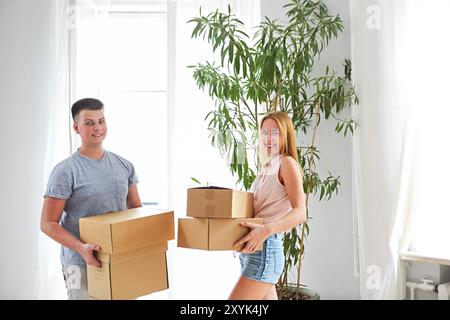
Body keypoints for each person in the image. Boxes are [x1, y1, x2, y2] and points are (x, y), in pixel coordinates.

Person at [40, 98, 142, 300]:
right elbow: (48, 223)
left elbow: (135, 209)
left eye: (101, 121)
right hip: (79, 264)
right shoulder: (65, 171)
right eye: (89, 123)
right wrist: (81, 248)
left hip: (118, 259)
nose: (97, 128)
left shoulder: (124, 165)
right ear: (76, 128)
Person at [229, 111, 307, 300]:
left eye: (275, 133)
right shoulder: (267, 167)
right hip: (253, 249)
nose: (268, 139)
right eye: (264, 133)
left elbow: (300, 212)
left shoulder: (286, 163)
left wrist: (265, 230)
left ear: (285, 135)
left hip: (265, 249)